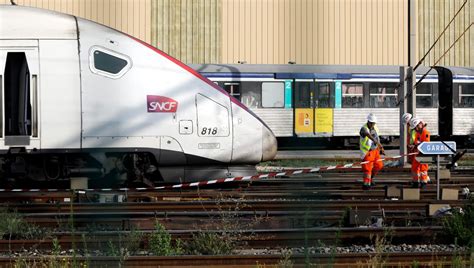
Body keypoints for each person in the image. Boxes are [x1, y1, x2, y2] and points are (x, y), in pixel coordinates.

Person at [360, 113, 385, 190]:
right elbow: (368, 135)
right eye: (371, 123)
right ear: (368, 121)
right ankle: (366, 184)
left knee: (379, 165)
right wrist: (376, 142)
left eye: (373, 123)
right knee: (367, 169)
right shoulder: (364, 128)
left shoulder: (375, 127)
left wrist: (380, 147)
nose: (372, 124)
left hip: (375, 151)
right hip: (367, 152)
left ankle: (370, 178)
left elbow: (377, 138)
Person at [409, 117, 431, 188]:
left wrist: (417, 145)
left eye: (416, 127)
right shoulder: (418, 133)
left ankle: (424, 182)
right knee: (414, 167)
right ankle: (416, 182)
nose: (416, 129)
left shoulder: (425, 132)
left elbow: (426, 144)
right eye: (415, 128)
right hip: (418, 153)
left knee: (423, 168)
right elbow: (416, 142)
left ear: (420, 124)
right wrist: (414, 146)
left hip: (424, 154)